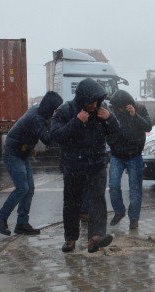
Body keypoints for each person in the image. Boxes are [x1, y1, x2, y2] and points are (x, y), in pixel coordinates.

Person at [50, 78, 120, 253]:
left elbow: (116, 130)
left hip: (97, 163)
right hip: (73, 165)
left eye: (97, 101)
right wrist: (76, 121)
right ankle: (70, 238)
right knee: (72, 203)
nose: (94, 105)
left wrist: (110, 118)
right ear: (82, 98)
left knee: (98, 201)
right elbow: (56, 135)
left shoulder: (102, 109)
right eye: (91, 101)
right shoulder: (65, 110)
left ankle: (95, 238)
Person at [0, 91, 63, 236]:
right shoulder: (36, 117)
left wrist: (31, 146)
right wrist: (61, 129)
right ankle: (0, 219)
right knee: (22, 188)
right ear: (49, 107)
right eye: (55, 109)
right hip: (13, 153)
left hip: (22, 153)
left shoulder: (40, 112)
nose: (55, 113)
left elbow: (34, 133)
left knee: (29, 188)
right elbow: (48, 139)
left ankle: (22, 224)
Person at [106, 90, 153, 230]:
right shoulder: (113, 111)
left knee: (135, 189)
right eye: (116, 108)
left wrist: (135, 116)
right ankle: (119, 211)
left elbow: (148, 126)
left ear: (128, 105)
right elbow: (108, 129)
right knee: (113, 186)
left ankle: (134, 218)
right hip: (117, 155)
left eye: (120, 108)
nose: (118, 110)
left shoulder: (140, 109)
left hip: (134, 155)